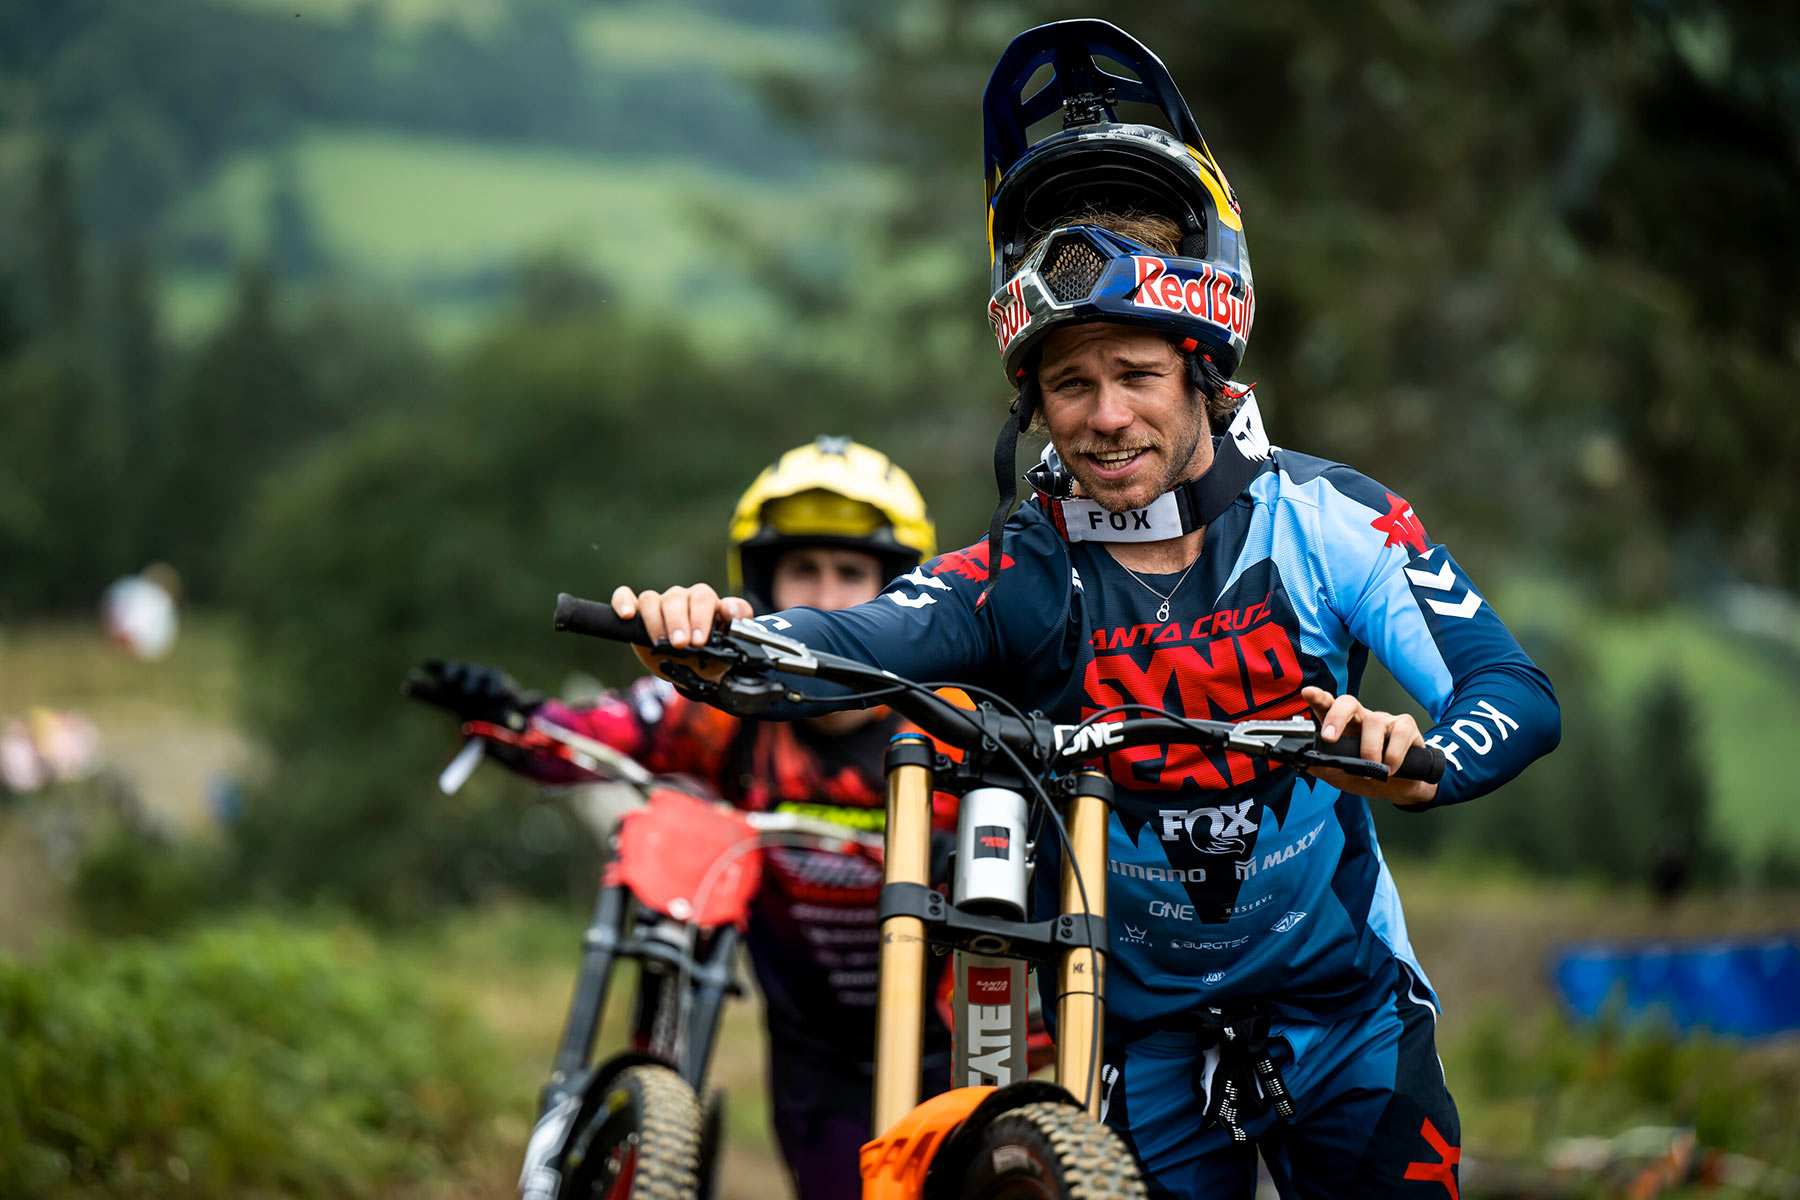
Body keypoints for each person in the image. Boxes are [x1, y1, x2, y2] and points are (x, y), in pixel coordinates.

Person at [606, 20, 1561, 1200]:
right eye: (1071, 381)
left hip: (1349, 1013)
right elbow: (846, 643)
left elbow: (1514, 694)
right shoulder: (1022, 570)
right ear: (1034, 399)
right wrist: (709, 639)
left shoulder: (1333, 521)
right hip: (1137, 1045)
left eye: (1138, 375)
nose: (1105, 416)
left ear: (1205, 370)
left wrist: (1418, 758)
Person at [414, 436, 947, 1200]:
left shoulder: (949, 718)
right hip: (818, 1067)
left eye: (851, 572)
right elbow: (593, 736)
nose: (826, 595)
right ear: (764, 583)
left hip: (967, 1047)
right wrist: (507, 715)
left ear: (895, 590)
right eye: (803, 569)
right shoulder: (726, 709)